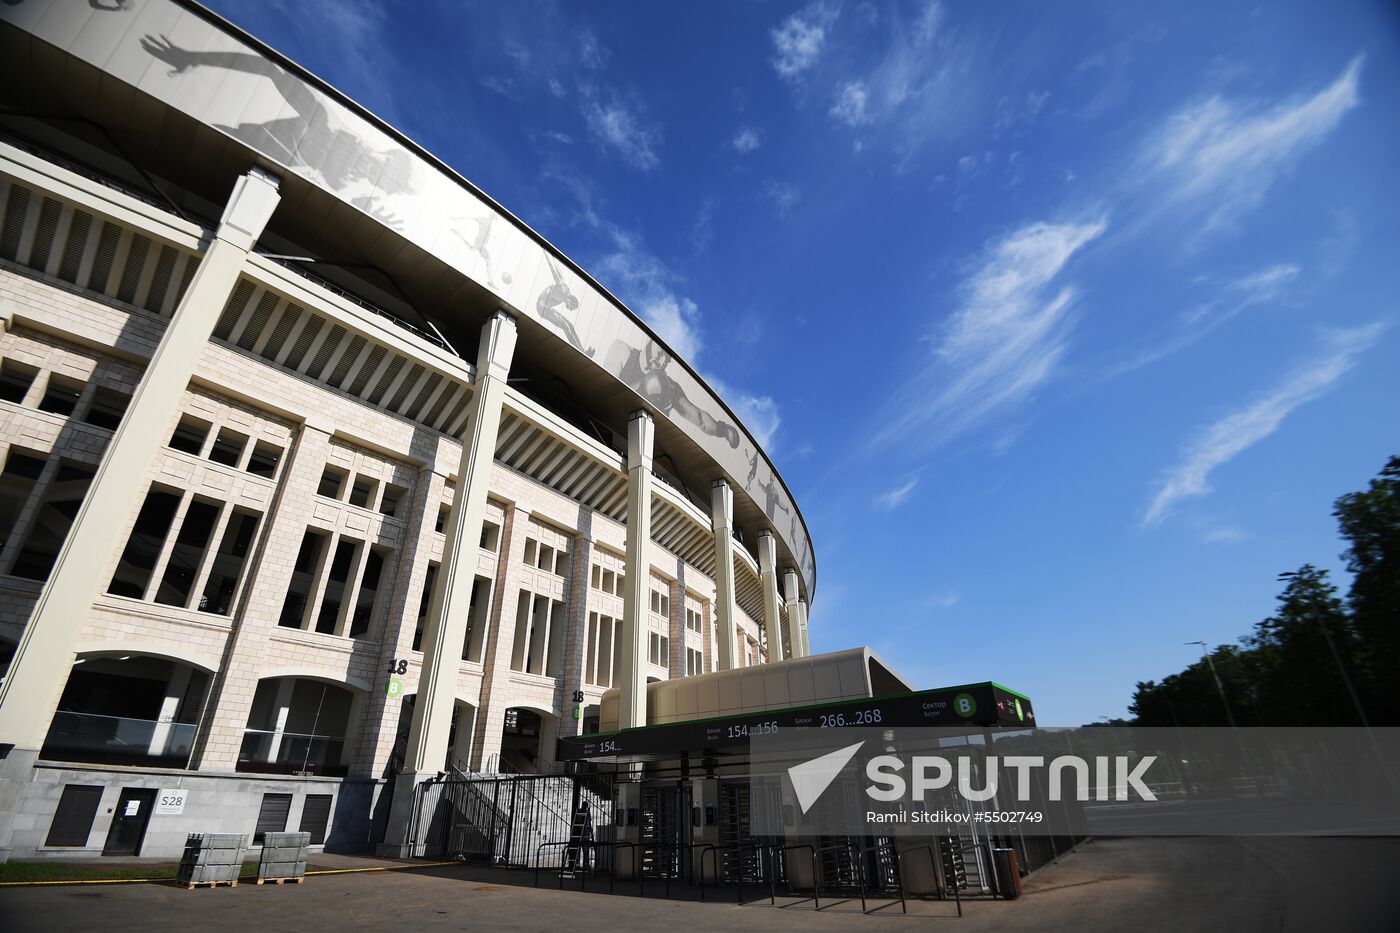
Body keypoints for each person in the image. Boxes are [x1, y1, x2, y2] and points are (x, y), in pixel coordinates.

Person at [611, 339, 740, 447]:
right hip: (609, 427)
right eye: (660, 353)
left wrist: (721, 429)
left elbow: (698, 416)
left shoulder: (671, 389)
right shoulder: (623, 352)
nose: (661, 362)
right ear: (651, 343)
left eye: (666, 360)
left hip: (638, 444)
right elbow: (606, 385)